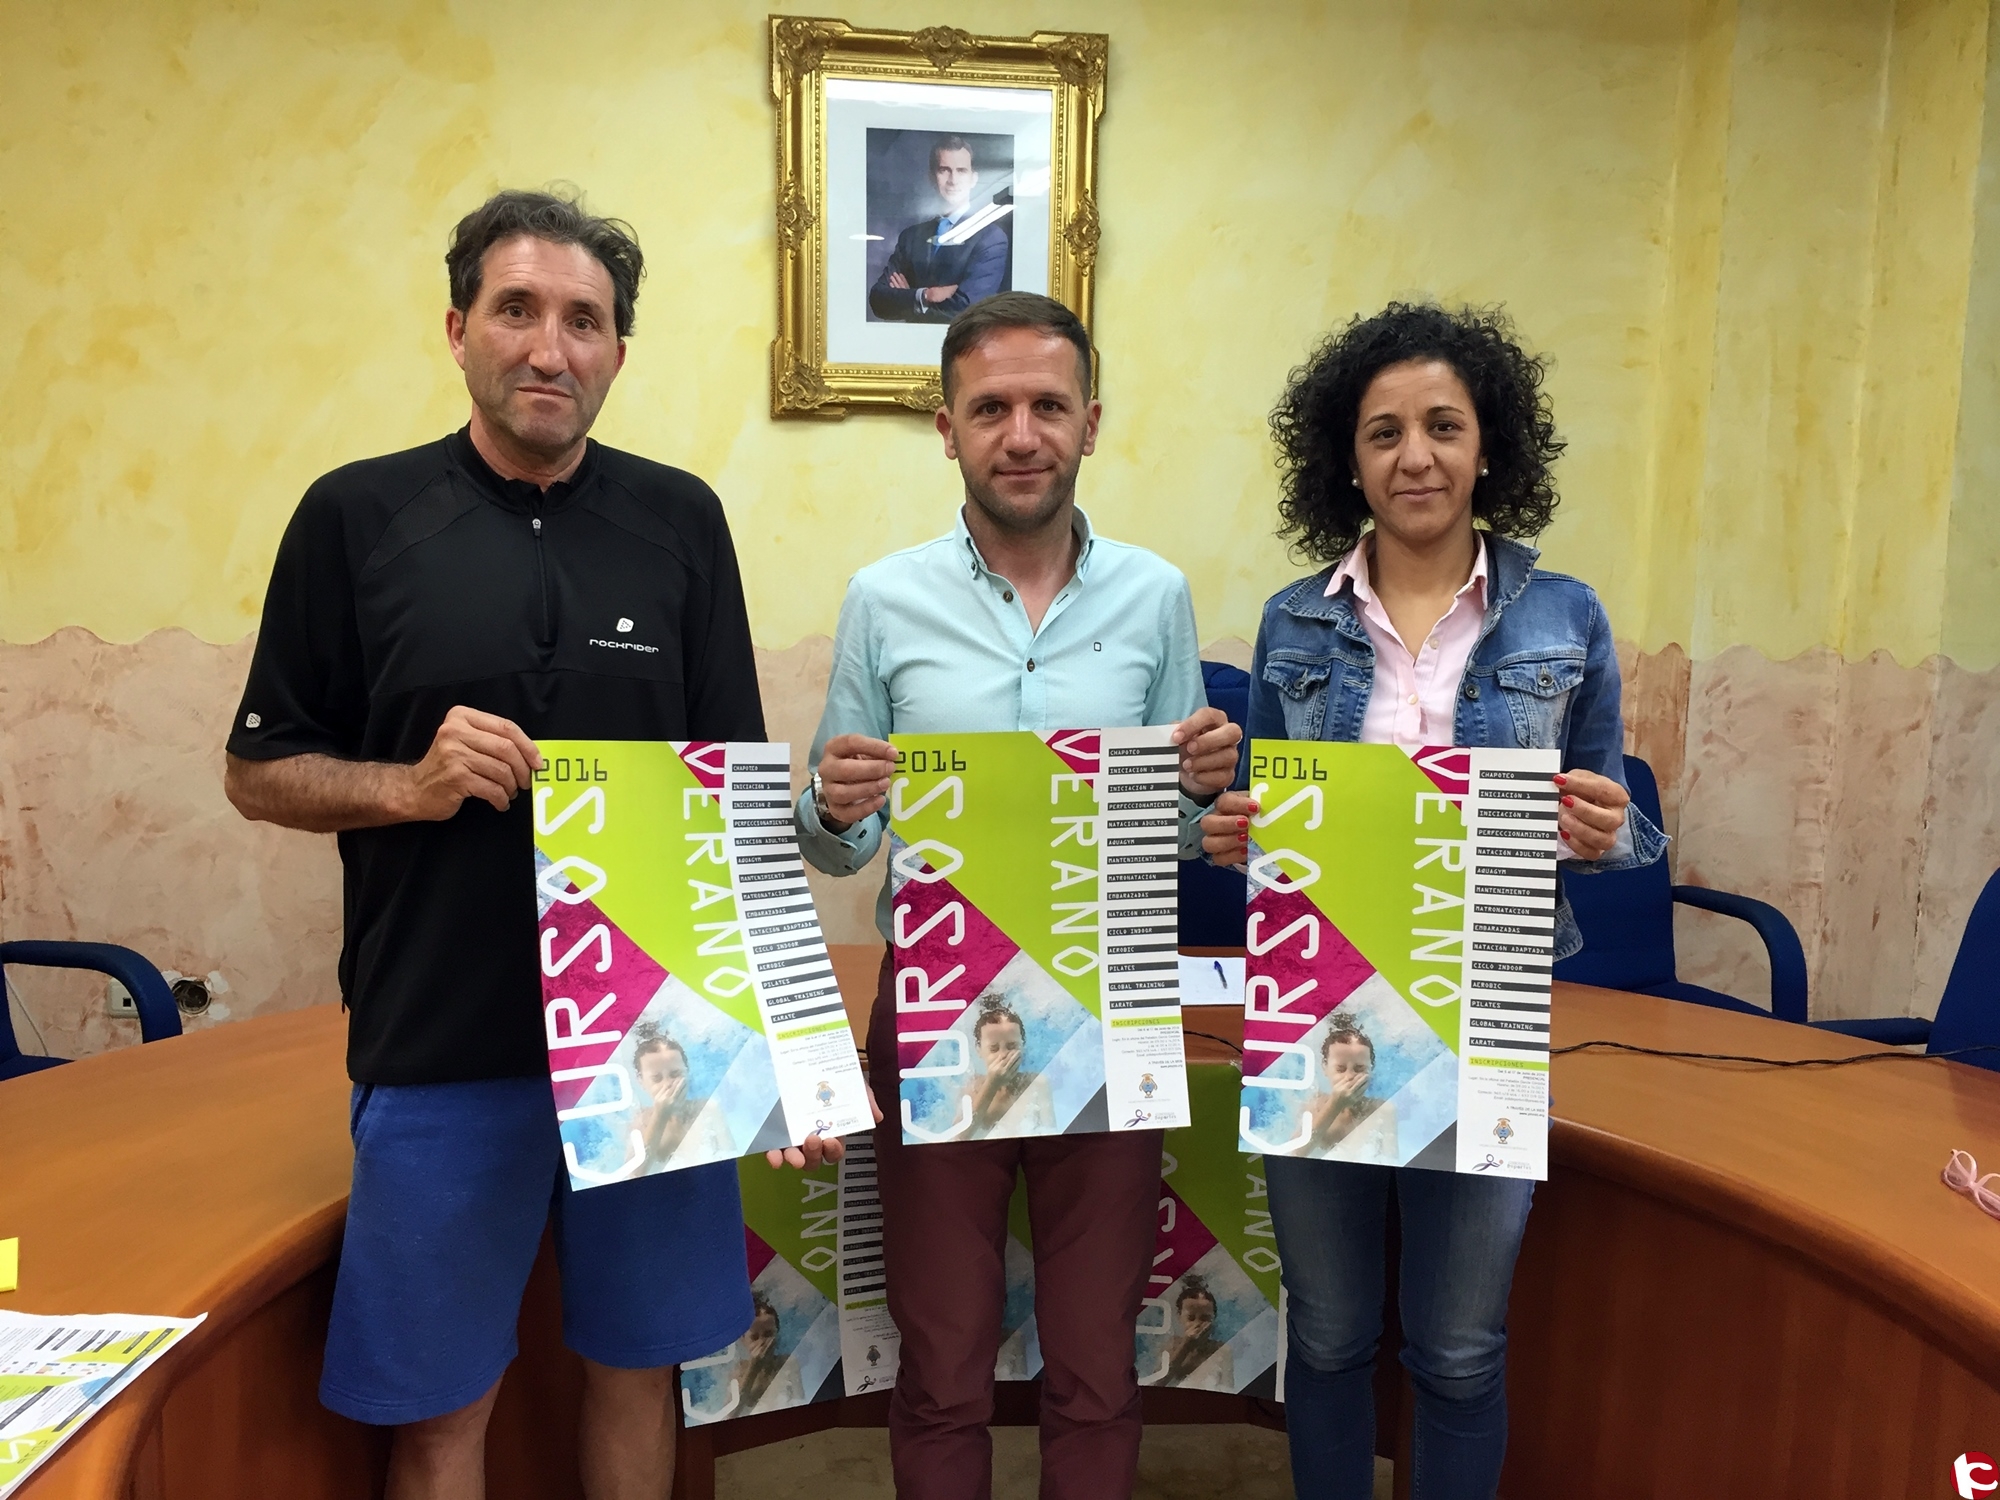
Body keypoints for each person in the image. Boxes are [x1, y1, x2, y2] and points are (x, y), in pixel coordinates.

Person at [223, 187, 846, 1500]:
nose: (549, 348)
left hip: (658, 1049)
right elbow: (257, 772)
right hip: (443, 1050)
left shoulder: (681, 522)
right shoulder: (355, 516)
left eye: (583, 320)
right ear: (458, 329)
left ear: (618, 350)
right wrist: (409, 786)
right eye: (516, 310)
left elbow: (734, 803)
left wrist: (788, 1052)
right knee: (439, 1411)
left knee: (637, 1374)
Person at [1201, 302, 1665, 1500]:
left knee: (1456, 1351)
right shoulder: (1294, 618)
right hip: (1317, 1013)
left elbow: (1619, 821)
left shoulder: (1565, 615)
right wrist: (1236, 839)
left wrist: (1603, 829)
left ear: (1487, 445)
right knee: (1326, 1335)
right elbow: (1269, 829)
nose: (1414, 456)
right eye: (1383, 432)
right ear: (1346, 461)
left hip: (1482, 1008)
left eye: (1442, 427)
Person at [798, 290, 1242, 1500]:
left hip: (1109, 1004)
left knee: (1095, 1364)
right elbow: (840, 845)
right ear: (945, 428)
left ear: (1090, 422)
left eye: (1048, 405)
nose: (1021, 433)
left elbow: (1174, 832)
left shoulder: (1154, 594)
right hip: (937, 1008)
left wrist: (1204, 792)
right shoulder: (883, 598)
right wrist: (831, 807)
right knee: (940, 1364)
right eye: (990, 408)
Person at [868, 135, 1011, 323]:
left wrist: (910, 299)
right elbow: (879, 300)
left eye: (961, 171)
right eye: (944, 170)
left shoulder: (991, 237)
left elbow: (969, 310)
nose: (953, 180)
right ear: (932, 177)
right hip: (909, 340)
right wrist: (927, 295)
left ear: (974, 179)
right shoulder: (911, 237)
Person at [963, 995, 1057, 1139]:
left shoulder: (1037, 1083)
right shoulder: (973, 1089)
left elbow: (1051, 1136)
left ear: (1023, 1045)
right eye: (994, 1049)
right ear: (979, 1050)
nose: (1003, 1055)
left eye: (1012, 1046)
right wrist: (992, 1084)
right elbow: (958, 1138)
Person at [1304, 1015, 1397, 1160]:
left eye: (1359, 1069)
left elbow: (1392, 1162)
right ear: (1325, 1068)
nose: (1349, 1076)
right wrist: (1335, 1105)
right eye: (1340, 1069)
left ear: (1371, 1069)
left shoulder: (1383, 1110)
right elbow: (1292, 1153)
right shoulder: (1314, 1106)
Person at [730, 1295, 806, 1415]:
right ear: (743, 1340)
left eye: (768, 1334)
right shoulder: (739, 1372)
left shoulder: (788, 1363)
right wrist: (753, 1368)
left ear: (777, 1333)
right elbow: (729, 1417)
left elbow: (801, 1406)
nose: (762, 1342)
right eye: (754, 1337)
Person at [1156, 1276, 1234, 1391]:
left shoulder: (1222, 1351)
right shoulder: (1172, 1346)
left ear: (1214, 1319)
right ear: (1179, 1317)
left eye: (1205, 1318)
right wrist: (1186, 1345)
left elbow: (1229, 1391)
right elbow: (1155, 1385)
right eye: (1191, 1318)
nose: (1197, 1323)